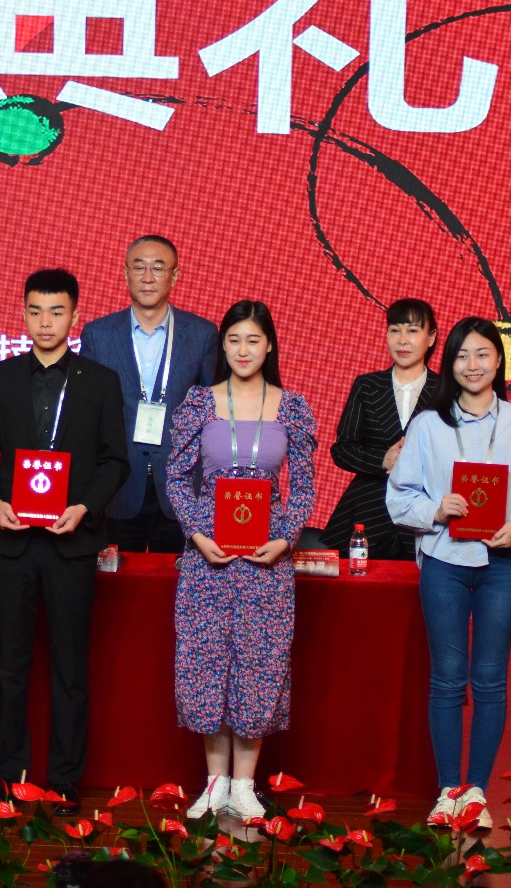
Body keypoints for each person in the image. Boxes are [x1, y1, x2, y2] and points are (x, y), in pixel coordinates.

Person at [387, 316, 511, 828]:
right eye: (462, 355)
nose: (472, 364)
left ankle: (476, 793)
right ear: (449, 364)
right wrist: (436, 510)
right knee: (446, 679)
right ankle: (448, 792)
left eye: (482, 354)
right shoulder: (428, 425)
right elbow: (399, 497)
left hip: (501, 565)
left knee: (489, 680)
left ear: (499, 361)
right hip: (443, 562)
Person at [0, 268, 128, 817]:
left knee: (70, 668)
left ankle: (63, 780)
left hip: (71, 542)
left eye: (57, 312)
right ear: (23, 314)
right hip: (12, 541)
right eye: (35, 311)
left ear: (75, 316)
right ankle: (11, 776)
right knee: (10, 666)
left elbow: (114, 461)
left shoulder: (100, 381)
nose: (45, 322)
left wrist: (85, 508)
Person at [166, 300, 316, 821]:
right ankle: (214, 784)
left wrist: (286, 538)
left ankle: (245, 785)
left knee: (259, 663)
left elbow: (303, 488)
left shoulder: (290, 407)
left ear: (269, 345)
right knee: (206, 661)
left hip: (266, 559)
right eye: (234, 340)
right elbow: (176, 479)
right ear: (222, 346)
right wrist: (197, 533)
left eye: (253, 340)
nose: (243, 350)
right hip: (208, 557)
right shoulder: (199, 403)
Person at [78, 235, 217, 553]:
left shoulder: (202, 335)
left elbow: (213, 416)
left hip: (182, 491)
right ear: (125, 273)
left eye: (158, 267)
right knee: (116, 583)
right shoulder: (98, 335)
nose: (148, 277)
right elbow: (86, 416)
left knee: (175, 581)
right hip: (117, 489)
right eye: (139, 267)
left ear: (175, 275)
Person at [322, 298, 440, 560]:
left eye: (412, 330)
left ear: (431, 337)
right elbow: (342, 449)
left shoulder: (444, 391)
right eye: (395, 330)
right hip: (368, 510)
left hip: (422, 512)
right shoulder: (367, 385)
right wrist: (382, 460)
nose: (402, 340)